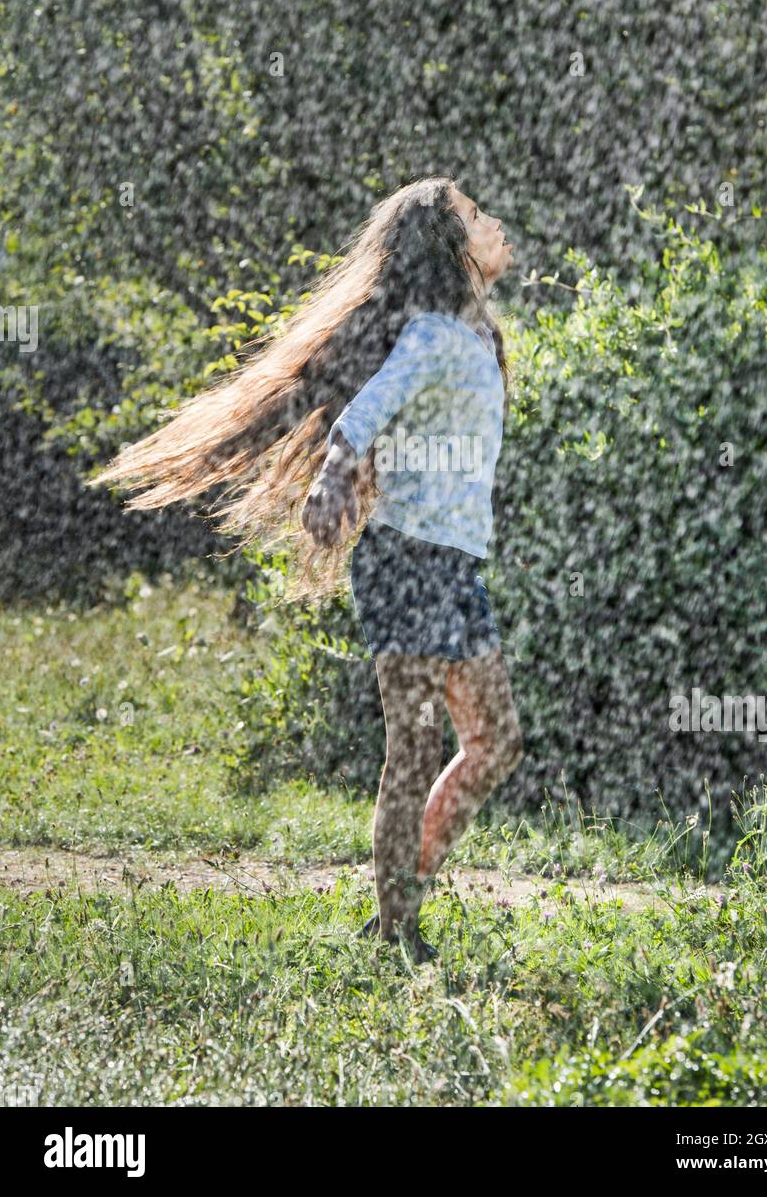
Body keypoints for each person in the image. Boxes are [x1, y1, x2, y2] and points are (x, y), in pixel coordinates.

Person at [91, 176, 523, 964]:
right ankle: (398, 927)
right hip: (406, 561)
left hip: (457, 567)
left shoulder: (481, 338)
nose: (492, 220)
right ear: (451, 247)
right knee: (415, 746)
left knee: (495, 740)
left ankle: (404, 892)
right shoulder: (427, 335)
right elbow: (361, 414)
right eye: (473, 213)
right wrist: (331, 479)